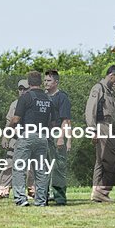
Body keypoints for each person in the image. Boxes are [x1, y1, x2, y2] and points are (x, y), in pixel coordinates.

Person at [9, 70, 55, 206]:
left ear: (29, 83)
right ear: (41, 82)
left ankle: (20, 199)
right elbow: (52, 123)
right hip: (42, 137)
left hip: (27, 136)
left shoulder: (25, 97)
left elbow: (16, 119)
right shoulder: (48, 99)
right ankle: (41, 200)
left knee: (19, 168)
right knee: (40, 170)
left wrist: (8, 130)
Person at [86, 65, 115, 202]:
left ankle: (96, 193)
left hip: (109, 126)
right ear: (111, 75)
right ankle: (102, 190)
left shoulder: (110, 91)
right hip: (102, 126)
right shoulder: (98, 88)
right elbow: (91, 109)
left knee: (100, 161)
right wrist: (93, 130)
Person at [0, 79, 29, 199]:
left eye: (25, 89)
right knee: (8, 164)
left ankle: (32, 190)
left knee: (30, 167)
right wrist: (5, 136)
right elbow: (9, 122)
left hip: (29, 137)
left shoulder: (33, 102)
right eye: (20, 89)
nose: (22, 91)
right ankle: (3, 190)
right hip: (14, 138)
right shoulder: (14, 104)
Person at [44, 70, 72, 206]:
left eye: (49, 81)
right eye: (45, 80)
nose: (46, 83)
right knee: (44, 167)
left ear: (56, 82)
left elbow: (66, 120)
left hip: (57, 133)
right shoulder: (42, 97)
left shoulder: (62, 97)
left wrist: (61, 137)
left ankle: (60, 197)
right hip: (44, 134)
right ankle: (44, 196)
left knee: (59, 167)